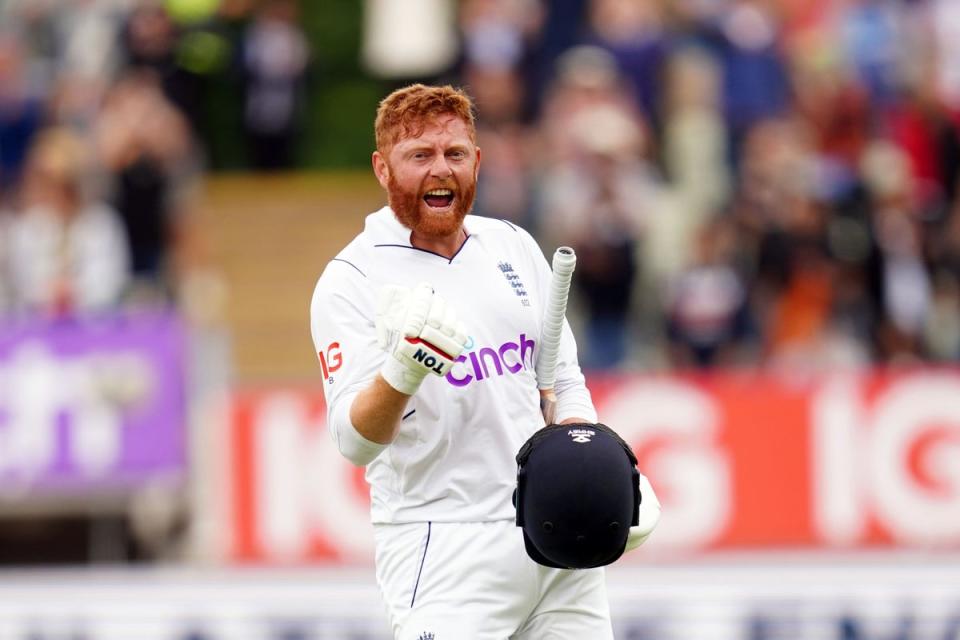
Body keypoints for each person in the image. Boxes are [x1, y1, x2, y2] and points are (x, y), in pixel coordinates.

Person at [310, 84, 658, 639]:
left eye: (454, 154)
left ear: (477, 160)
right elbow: (354, 442)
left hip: (552, 534)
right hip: (444, 545)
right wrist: (404, 370)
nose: (439, 170)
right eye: (418, 156)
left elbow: (562, 378)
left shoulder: (511, 245)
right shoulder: (351, 281)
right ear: (382, 169)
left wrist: (589, 465)